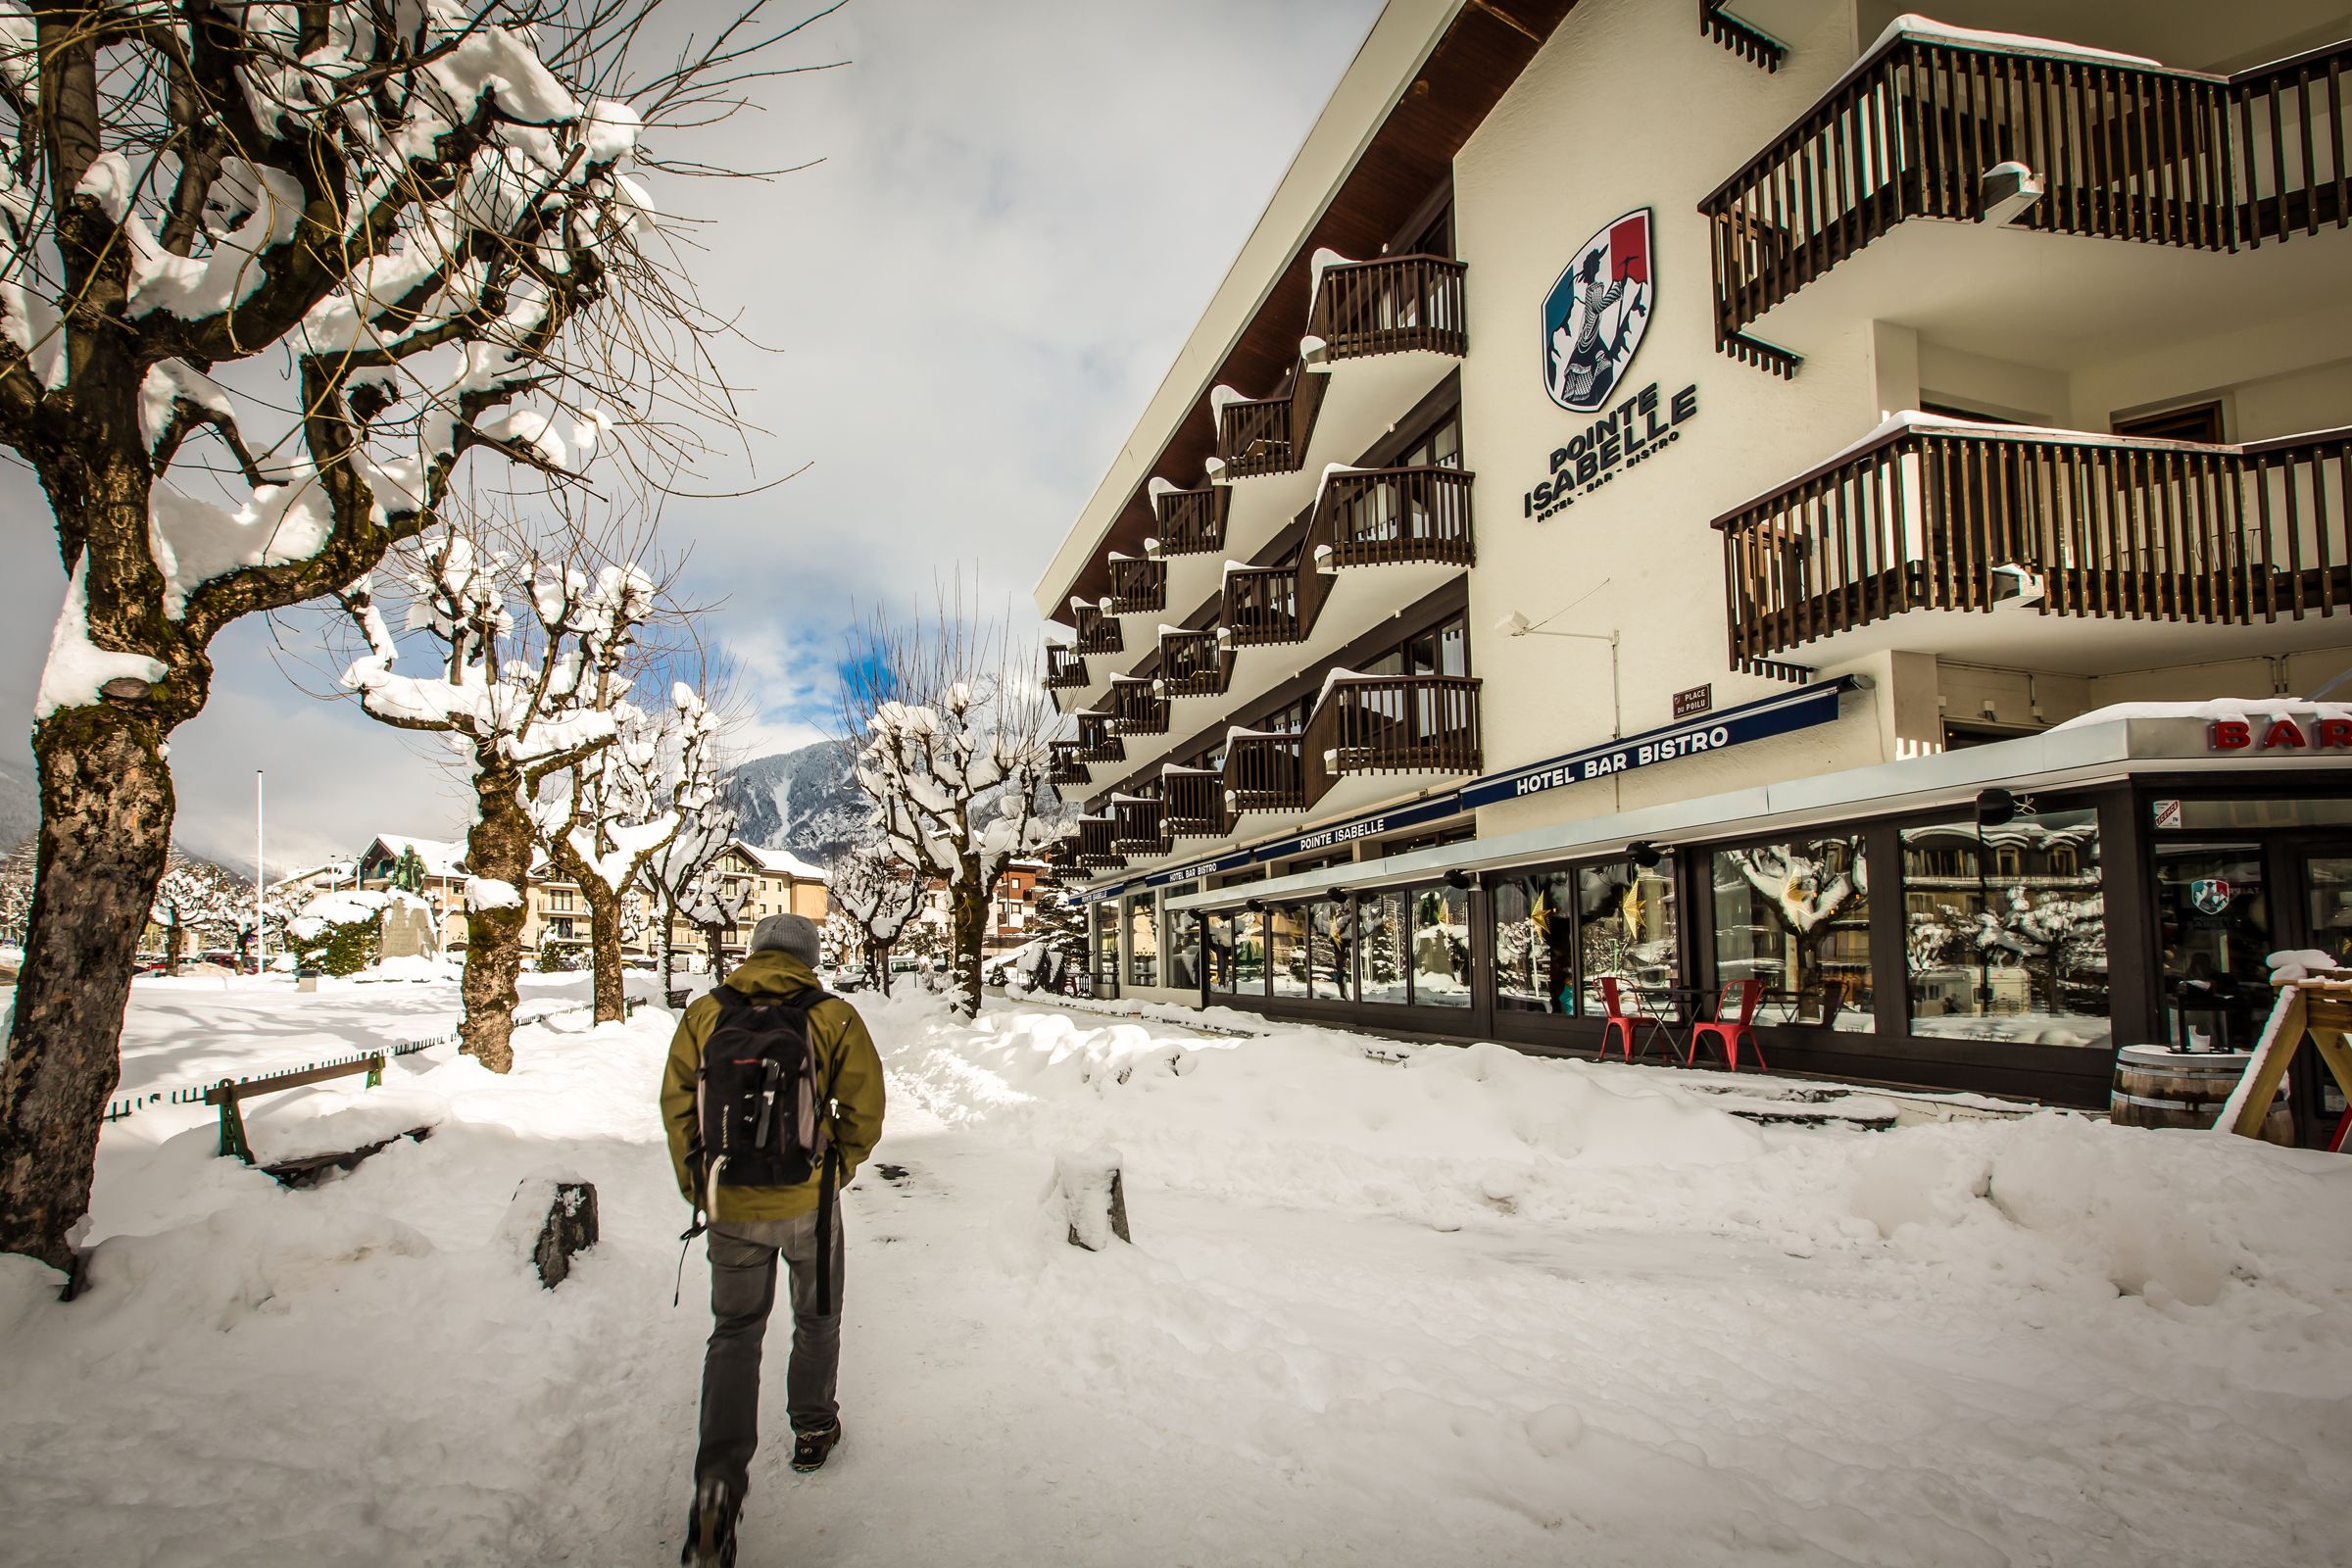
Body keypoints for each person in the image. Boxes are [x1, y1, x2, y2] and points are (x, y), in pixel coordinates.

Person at [662, 912, 886, 1567]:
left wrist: (699, 1184)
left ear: (755, 952)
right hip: (809, 1202)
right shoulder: (831, 1016)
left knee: (734, 1332)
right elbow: (865, 1108)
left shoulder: (706, 1012)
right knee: (816, 1319)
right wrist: (836, 1167)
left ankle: (718, 1487)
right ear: (810, 958)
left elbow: (678, 1104)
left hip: (730, 1201)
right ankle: (813, 1429)